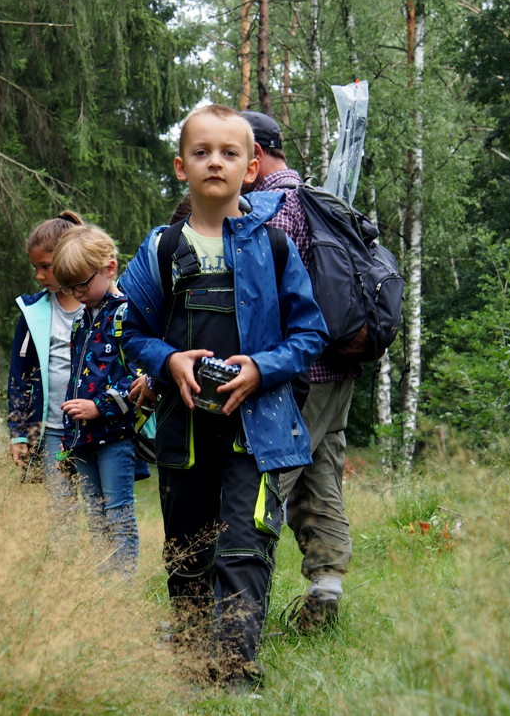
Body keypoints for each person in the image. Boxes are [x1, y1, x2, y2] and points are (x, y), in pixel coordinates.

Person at [119, 104, 328, 691]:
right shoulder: (160, 248)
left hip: (256, 430)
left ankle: (235, 668)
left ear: (252, 165)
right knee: (187, 546)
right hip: (182, 432)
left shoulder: (274, 247)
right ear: (181, 166)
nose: (216, 161)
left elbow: (310, 334)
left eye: (230, 152)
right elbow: (128, 331)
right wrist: (169, 359)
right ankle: (188, 661)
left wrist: (263, 368)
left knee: (245, 541)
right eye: (202, 152)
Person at [242, 110, 362, 632]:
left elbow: (262, 303)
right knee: (321, 478)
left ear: (256, 156)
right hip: (339, 370)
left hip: (298, 376)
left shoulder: (273, 208)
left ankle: (237, 607)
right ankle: (326, 595)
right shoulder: (320, 200)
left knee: (264, 484)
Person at [52, 225, 139, 577]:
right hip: (82, 440)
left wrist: (99, 407)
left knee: (118, 514)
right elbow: (74, 385)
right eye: (68, 286)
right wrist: (65, 446)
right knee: (95, 517)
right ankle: (104, 591)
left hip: (115, 437)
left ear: (110, 268)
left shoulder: (126, 314)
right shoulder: (80, 321)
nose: (75, 293)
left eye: (82, 284)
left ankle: (122, 588)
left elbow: (137, 378)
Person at [7, 211, 85, 524]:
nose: (39, 275)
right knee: (60, 511)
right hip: (53, 429)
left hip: (97, 430)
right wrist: (18, 433)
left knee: (103, 510)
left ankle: (103, 572)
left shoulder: (100, 306)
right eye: (35, 267)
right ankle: (63, 570)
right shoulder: (32, 311)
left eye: (46, 266)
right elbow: (19, 376)